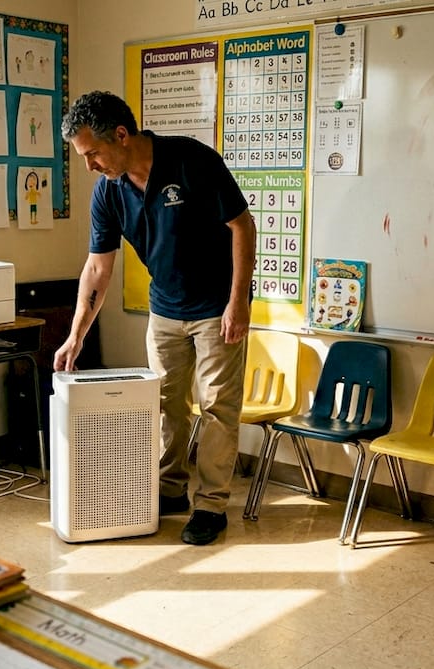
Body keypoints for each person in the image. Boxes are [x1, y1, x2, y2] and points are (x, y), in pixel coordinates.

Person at [54, 91, 255, 546]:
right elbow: (98, 267)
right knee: (165, 405)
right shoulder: (109, 191)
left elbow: (242, 225)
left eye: (93, 154)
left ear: (121, 135)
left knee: (218, 407)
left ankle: (211, 505)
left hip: (217, 307)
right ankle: (169, 490)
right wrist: (75, 336)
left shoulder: (193, 161)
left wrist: (238, 301)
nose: (90, 166)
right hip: (164, 308)